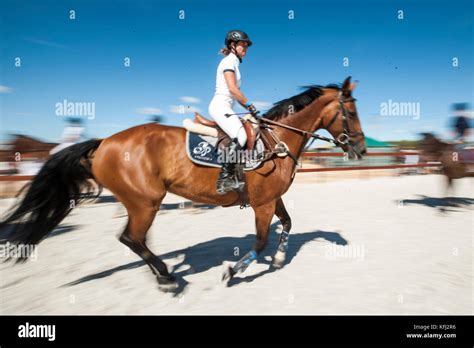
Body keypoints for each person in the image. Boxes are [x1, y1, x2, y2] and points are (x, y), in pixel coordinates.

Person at [208, 30, 259, 194]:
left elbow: (235, 95)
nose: (245, 47)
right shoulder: (229, 62)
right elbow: (233, 89)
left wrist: (248, 109)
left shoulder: (234, 63)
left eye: (246, 45)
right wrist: (250, 105)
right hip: (220, 106)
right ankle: (224, 180)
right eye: (242, 44)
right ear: (232, 45)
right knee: (242, 136)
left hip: (227, 108)